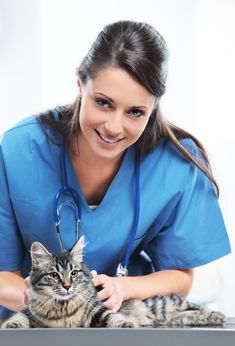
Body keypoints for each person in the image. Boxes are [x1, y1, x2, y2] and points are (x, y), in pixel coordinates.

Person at [0, 20, 231, 320]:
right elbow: (3, 274)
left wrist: (123, 288)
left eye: (135, 112)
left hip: (124, 323)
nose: (113, 127)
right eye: (104, 103)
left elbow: (180, 277)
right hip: (37, 327)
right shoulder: (20, 150)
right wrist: (50, 303)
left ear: (154, 107)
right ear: (80, 83)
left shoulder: (175, 163)